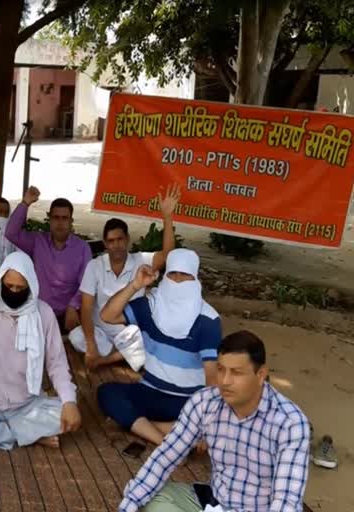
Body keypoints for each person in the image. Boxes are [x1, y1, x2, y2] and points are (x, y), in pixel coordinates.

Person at [119, 331, 310, 512]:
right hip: (213, 501)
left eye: (236, 372)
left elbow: (286, 502)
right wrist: (127, 506)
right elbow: (164, 457)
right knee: (150, 498)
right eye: (221, 370)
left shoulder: (290, 424)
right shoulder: (205, 402)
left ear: (260, 375)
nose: (225, 381)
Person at [0, 252, 81, 451]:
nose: (13, 291)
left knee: (66, 412)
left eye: (20, 288)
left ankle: (8, 434)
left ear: (31, 286)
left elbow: (57, 364)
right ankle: (30, 436)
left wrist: (69, 402)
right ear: (0, 282)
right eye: (9, 286)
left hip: (27, 404)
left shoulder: (43, 313)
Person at [97, 249, 221, 445]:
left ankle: (143, 426)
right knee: (107, 393)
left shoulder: (208, 319)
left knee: (211, 423)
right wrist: (135, 285)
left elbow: (212, 378)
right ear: (165, 275)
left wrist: (207, 420)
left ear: (195, 279)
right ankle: (165, 440)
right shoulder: (150, 305)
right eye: (173, 273)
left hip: (186, 401)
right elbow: (107, 316)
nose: (178, 280)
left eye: (185, 275)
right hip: (150, 391)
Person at [70, 184, 181, 370]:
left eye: (120, 239)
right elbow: (87, 309)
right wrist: (91, 346)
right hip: (101, 333)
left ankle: (106, 359)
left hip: (129, 332)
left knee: (144, 336)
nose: (116, 245)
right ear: (105, 244)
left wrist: (167, 217)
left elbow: (168, 256)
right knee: (76, 336)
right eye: (111, 241)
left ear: (127, 239)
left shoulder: (141, 260)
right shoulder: (95, 266)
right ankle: (122, 356)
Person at [5, 186, 91, 333]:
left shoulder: (82, 248)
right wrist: (25, 203)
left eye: (65, 218)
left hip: (67, 314)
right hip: (38, 312)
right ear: (49, 219)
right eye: (56, 218)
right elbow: (11, 233)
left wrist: (73, 305)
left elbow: (87, 283)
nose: (60, 223)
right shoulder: (38, 241)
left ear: (71, 221)